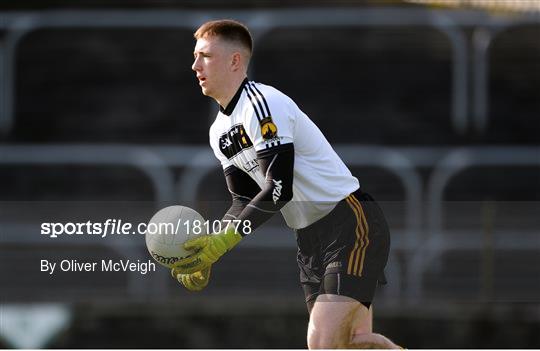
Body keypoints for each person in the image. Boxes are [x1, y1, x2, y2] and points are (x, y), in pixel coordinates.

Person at [171, 19, 401, 349]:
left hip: (350, 223)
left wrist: (222, 242)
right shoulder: (218, 132)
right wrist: (212, 245)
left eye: (205, 55)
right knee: (354, 342)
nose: (195, 66)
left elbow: (279, 188)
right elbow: (243, 199)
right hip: (309, 238)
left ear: (235, 61)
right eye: (195, 56)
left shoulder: (263, 104)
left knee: (322, 342)